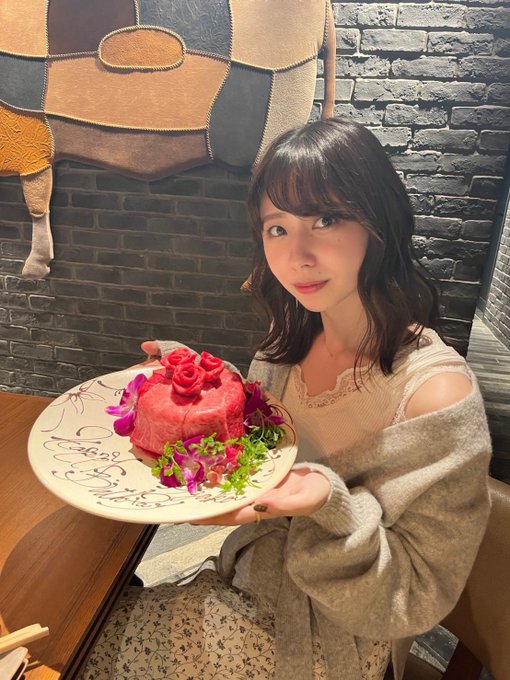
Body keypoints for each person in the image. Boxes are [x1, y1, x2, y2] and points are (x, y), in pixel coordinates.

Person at [79, 118, 491, 680]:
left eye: (326, 219)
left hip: (323, 643)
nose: (297, 255)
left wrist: (329, 506)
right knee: (82, 611)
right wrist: (196, 380)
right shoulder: (287, 346)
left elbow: (417, 596)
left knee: (76, 650)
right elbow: (265, 433)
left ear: (380, 222)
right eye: (277, 228)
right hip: (247, 581)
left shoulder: (435, 396)